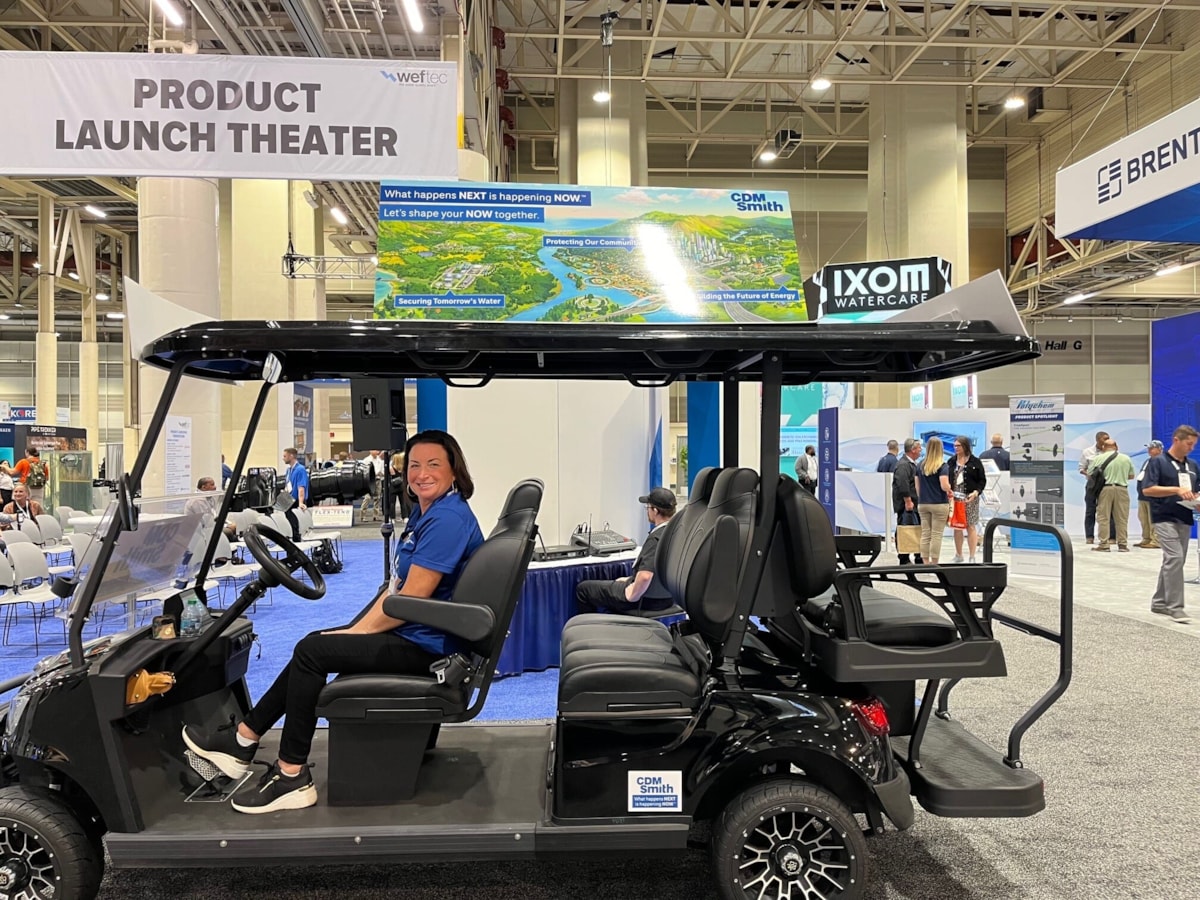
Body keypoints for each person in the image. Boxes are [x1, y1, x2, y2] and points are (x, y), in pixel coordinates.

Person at [183, 430, 485, 814]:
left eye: (433, 464)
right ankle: (244, 739)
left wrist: (357, 632)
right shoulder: (429, 513)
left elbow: (411, 599)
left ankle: (290, 773)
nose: (421, 473)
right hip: (421, 634)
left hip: (429, 649)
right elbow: (395, 590)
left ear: (454, 471)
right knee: (318, 642)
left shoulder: (447, 520)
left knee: (313, 650)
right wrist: (352, 630)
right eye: (414, 465)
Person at [576, 487, 677, 615]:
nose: (647, 511)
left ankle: (587, 627)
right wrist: (630, 580)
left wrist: (632, 594)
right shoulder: (676, 534)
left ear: (655, 511)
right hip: (668, 599)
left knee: (584, 589)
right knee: (618, 581)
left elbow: (645, 576)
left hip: (645, 601)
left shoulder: (656, 538)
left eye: (648, 507)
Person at [1142, 424, 1200, 624]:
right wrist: (1175, 490)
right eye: (1188, 444)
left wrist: (1197, 500)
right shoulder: (1158, 462)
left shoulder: (1192, 466)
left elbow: (1195, 490)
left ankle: (1159, 602)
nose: (1191, 448)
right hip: (1163, 516)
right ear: (1176, 440)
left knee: (1175, 561)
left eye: (1193, 445)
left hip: (1184, 516)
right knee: (1174, 558)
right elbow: (1148, 489)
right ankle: (1176, 607)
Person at [1088, 438, 1135, 552]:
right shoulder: (1126, 458)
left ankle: (1104, 544)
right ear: (1116, 447)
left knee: (1103, 518)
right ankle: (1122, 545)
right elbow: (1131, 476)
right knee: (1122, 518)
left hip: (1105, 489)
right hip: (1122, 489)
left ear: (1103, 447)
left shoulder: (1098, 458)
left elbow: (1090, 474)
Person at [949, 435, 987, 563]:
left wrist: (976, 492)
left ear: (965, 446)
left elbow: (982, 480)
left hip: (970, 498)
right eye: (955, 446)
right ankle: (959, 554)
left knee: (971, 526)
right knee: (957, 526)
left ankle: (972, 556)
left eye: (958, 446)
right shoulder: (951, 461)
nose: (956, 448)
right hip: (955, 498)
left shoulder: (975, 462)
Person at [916, 436, 952, 565]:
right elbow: (944, 486)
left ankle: (925, 562)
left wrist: (922, 498)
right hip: (939, 503)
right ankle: (934, 562)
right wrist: (950, 488)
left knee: (925, 534)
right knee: (936, 534)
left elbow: (917, 487)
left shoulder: (920, 466)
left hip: (923, 503)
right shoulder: (943, 466)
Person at [1079, 431, 1114, 545]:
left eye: (1108, 438)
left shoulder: (1112, 452)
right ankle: (1089, 536)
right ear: (1098, 440)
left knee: (1109, 510)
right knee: (1090, 510)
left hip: (1106, 484)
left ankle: (1111, 537)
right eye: (1105, 438)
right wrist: (1089, 474)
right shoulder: (1087, 452)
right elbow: (1081, 468)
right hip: (1092, 484)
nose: (1107, 440)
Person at [892, 438, 923, 565]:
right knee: (905, 529)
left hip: (914, 503)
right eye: (919, 447)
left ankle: (918, 556)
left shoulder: (912, 464)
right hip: (906, 505)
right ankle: (904, 557)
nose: (921, 450)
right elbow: (902, 484)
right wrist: (908, 500)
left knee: (916, 529)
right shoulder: (903, 465)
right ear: (913, 449)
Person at [1135, 440, 1163, 549]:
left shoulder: (1162, 461)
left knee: (1153, 520)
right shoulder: (1147, 461)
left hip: (1154, 497)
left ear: (1159, 449)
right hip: (1143, 496)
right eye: (1148, 448)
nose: (1149, 450)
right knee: (1143, 519)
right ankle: (1146, 538)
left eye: (1152, 448)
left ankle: (1156, 540)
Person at [282, 447, 308, 511]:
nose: (283, 458)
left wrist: (300, 503)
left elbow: (301, 487)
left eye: (285, 456)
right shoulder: (288, 470)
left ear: (291, 456)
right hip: (289, 501)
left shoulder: (300, 469)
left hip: (297, 502)